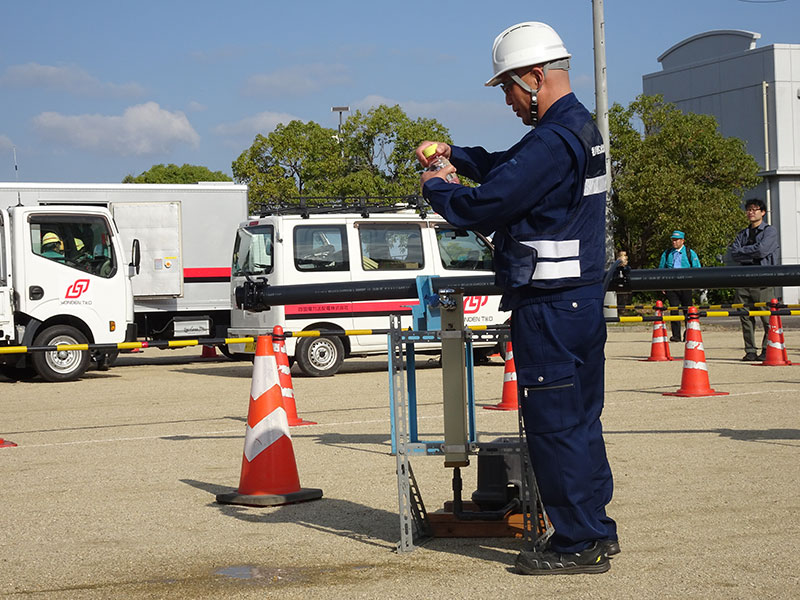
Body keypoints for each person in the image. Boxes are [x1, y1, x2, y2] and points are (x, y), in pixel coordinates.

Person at [416, 21, 615, 575]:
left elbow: (487, 204)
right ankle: (597, 528)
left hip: (549, 305)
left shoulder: (553, 140)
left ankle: (578, 543)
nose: (507, 98)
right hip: (578, 301)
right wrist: (458, 152)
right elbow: (510, 165)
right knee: (579, 420)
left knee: (553, 425)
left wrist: (438, 181)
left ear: (534, 77)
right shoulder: (578, 129)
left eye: (508, 86)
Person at [729, 199, 779, 361]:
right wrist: (750, 251)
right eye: (748, 210)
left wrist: (745, 251)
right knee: (744, 316)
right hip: (743, 278)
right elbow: (734, 253)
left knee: (766, 316)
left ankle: (767, 348)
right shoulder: (742, 233)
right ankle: (750, 350)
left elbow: (763, 251)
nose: (751, 212)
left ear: (763, 212)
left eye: (755, 209)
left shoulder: (769, 231)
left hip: (763, 278)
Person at [657, 230, 701, 342]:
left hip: (686, 285)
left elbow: (697, 269)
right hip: (671, 285)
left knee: (687, 309)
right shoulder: (667, 254)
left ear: (682, 241)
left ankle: (689, 332)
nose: (674, 242)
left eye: (676, 240)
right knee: (674, 309)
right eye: (673, 240)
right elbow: (661, 269)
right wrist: (662, 284)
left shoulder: (690, 253)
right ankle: (676, 335)